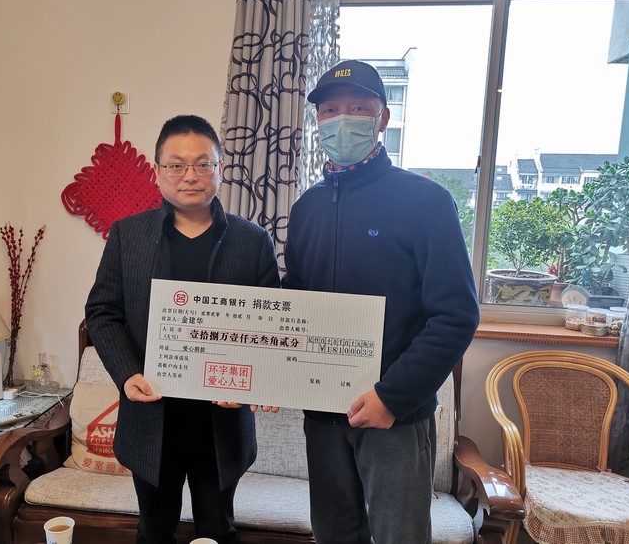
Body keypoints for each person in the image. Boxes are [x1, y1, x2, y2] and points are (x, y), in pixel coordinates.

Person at [282, 60, 480, 544]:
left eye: (357, 108)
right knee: (333, 533)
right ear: (317, 121)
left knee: (400, 537)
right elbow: (295, 301)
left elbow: (456, 315)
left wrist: (392, 397)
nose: (341, 120)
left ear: (382, 119)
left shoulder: (425, 201)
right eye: (330, 110)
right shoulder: (306, 209)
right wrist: (268, 366)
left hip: (395, 415)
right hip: (324, 412)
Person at [85, 114, 280, 544]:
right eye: (176, 165)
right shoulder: (128, 236)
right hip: (152, 418)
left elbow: (272, 324)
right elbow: (101, 312)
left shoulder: (252, 241)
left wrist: (253, 382)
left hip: (222, 423)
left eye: (202, 164)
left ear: (220, 169)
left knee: (218, 529)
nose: (190, 175)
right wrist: (127, 373)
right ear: (158, 171)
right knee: (154, 531)